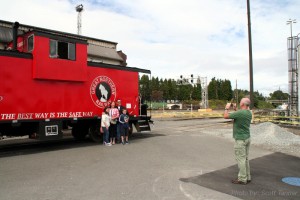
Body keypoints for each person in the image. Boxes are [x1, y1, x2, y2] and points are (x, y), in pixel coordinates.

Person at [224, 97, 252, 185]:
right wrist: (235, 109)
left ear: (243, 104)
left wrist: (226, 108)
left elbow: (225, 116)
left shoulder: (240, 113)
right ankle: (247, 176)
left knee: (241, 159)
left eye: (240, 102)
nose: (239, 103)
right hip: (247, 138)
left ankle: (242, 179)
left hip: (240, 139)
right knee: (246, 159)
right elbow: (239, 116)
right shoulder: (248, 112)